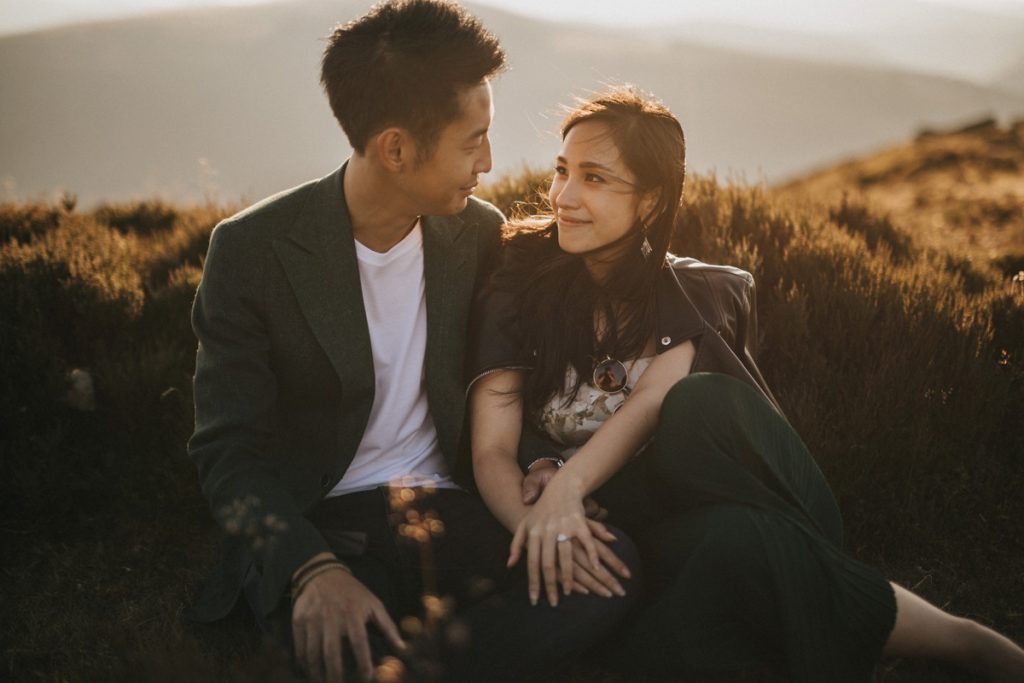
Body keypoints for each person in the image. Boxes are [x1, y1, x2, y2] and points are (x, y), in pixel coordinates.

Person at [468, 87, 1024, 681]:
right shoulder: (520, 276)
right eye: (562, 171)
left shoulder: (688, 294)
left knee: (700, 407)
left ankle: (968, 645)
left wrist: (565, 487)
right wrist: (540, 526)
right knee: (736, 541)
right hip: (657, 524)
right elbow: (491, 447)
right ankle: (927, 639)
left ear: (652, 203)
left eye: (595, 179)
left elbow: (653, 403)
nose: (565, 197)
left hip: (747, 485)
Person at [187, 3, 640, 682]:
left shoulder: (478, 234)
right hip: (326, 524)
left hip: (454, 507)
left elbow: (510, 382)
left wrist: (542, 464)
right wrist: (310, 570)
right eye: (472, 141)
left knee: (610, 570)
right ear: (396, 149)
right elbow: (227, 452)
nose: (489, 161)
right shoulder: (251, 250)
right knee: (334, 639)